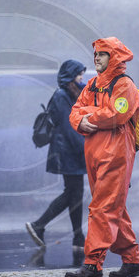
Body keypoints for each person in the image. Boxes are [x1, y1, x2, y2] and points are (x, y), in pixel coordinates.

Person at [65, 37, 139, 277]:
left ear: (114, 57)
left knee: (103, 208)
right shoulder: (93, 84)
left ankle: (92, 265)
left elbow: (117, 115)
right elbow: (75, 111)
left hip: (116, 154)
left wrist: (87, 115)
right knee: (113, 207)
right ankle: (131, 262)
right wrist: (80, 119)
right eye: (96, 54)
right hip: (96, 154)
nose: (96, 58)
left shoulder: (124, 85)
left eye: (102, 54)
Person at [26, 59, 87, 252]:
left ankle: (78, 238)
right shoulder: (62, 95)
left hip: (71, 151)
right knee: (72, 193)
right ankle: (39, 224)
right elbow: (70, 128)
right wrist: (86, 149)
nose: (81, 78)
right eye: (79, 75)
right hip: (66, 151)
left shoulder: (71, 93)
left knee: (76, 193)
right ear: (70, 75)